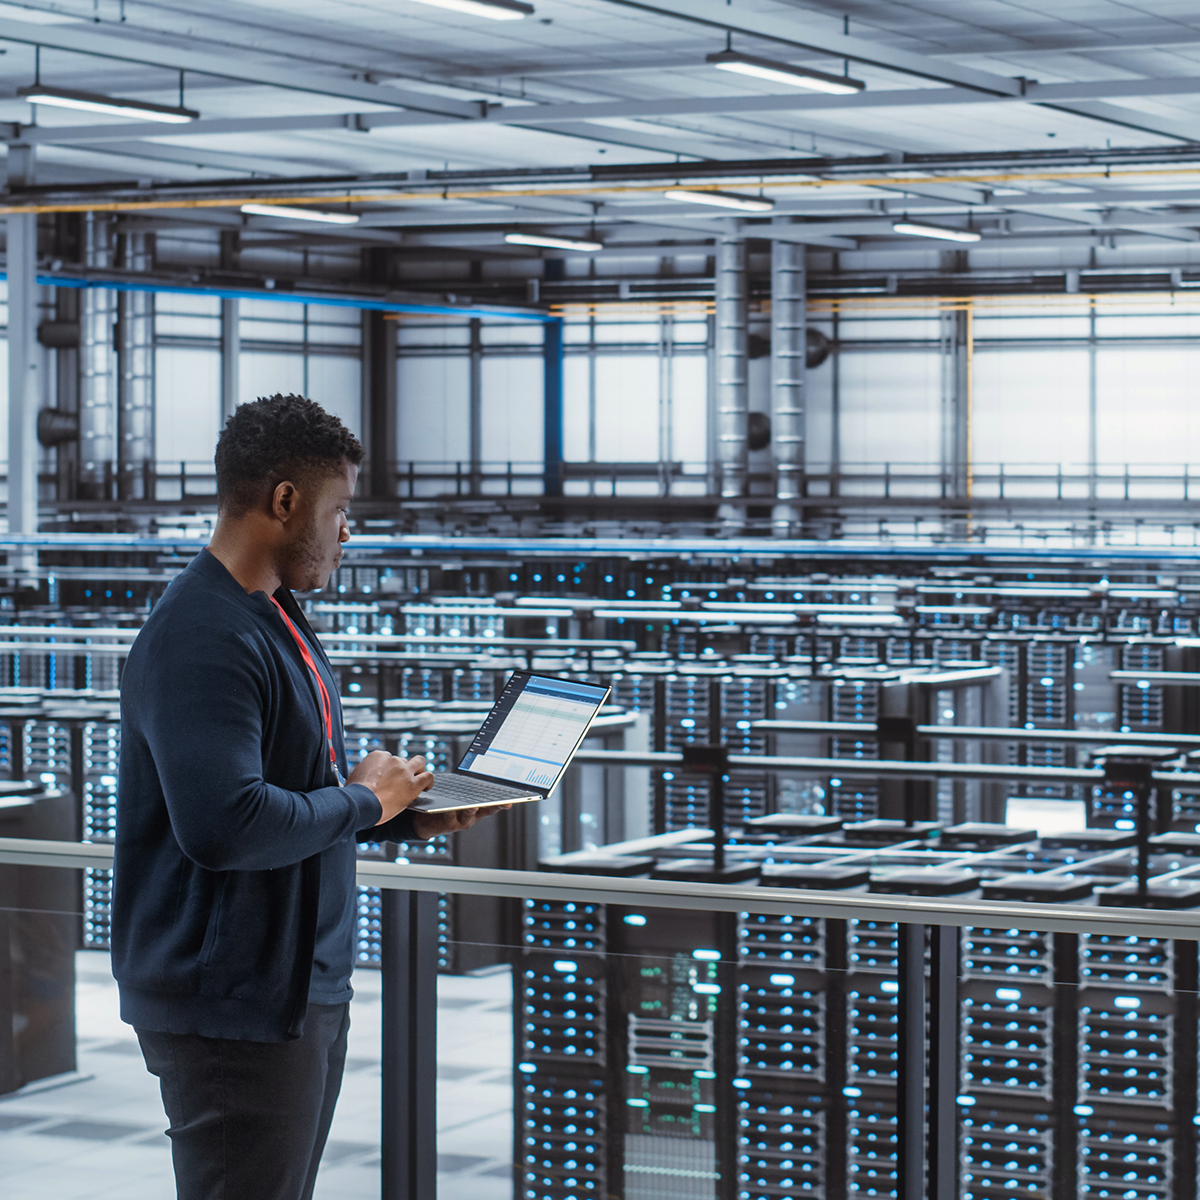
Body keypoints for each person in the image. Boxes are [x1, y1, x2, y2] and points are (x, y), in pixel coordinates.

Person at [112, 393, 488, 1200]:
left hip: (288, 990)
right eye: (339, 509)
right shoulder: (203, 635)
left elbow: (292, 793)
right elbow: (226, 825)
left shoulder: (272, 617)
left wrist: (399, 816)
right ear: (285, 500)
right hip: (233, 1004)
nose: (347, 532)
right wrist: (365, 803)